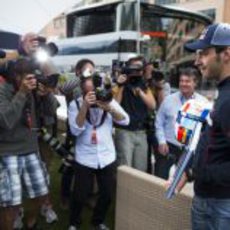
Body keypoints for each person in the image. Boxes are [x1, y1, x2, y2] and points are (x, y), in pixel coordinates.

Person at [171, 23, 230, 230]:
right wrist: (188, 171)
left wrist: (197, 171)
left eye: (203, 53)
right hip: (208, 200)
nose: (197, 62)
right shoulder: (223, 93)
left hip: (221, 206)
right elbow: (215, 141)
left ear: (226, 54)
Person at [0, 58, 59, 230]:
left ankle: (30, 222)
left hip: (31, 148)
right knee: (9, 203)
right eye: (27, 77)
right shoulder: (3, 90)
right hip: (7, 151)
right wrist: (22, 93)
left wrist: (46, 94)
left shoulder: (34, 90)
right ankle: (12, 220)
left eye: (33, 77)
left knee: (39, 194)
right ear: (16, 76)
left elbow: (51, 112)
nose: (32, 81)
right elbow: (6, 121)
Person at [68, 73, 129, 230]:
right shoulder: (75, 104)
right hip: (85, 156)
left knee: (107, 194)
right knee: (80, 195)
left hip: (106, 155)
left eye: (94, 91)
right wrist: (84, 107)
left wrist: (109, 108)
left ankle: (98, 221)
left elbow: (125, 120)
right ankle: (74, 222)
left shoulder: (107, 99)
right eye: (89, 92)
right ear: (83, 91)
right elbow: (75, 130)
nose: (93, 95)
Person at [155, 67, 208, 180]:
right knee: (160, 181)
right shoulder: (168, 99)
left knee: (184, 185)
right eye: (181, 81)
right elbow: (159, 122)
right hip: (168, 149)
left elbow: (206, 128)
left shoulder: (203, 103)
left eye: (187, 81)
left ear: (195, 83)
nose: (183, 84)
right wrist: (161, 141)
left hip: (189, 151)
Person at [59, 59, 95, 209]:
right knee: (70, 164)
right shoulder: (74, 85)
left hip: (91, 130)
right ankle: (65, 196)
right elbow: (62, 89)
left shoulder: (94, 84)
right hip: (74, 130)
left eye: (92, 71)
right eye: (87, 70)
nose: (90, 74)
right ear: (78, 71)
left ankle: (87, 195)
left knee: (90, 164)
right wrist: (82, 77)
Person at [113, 56, 155, 172]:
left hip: (141, 132)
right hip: (124, 132)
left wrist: (140, 91)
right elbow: (114, 106)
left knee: (140, 169)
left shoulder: (143, 85)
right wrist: (121, 85)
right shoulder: (120, 84)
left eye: (139, 69)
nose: (136, 72)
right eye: (133, 69)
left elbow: (152, 105)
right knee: (125, 168)